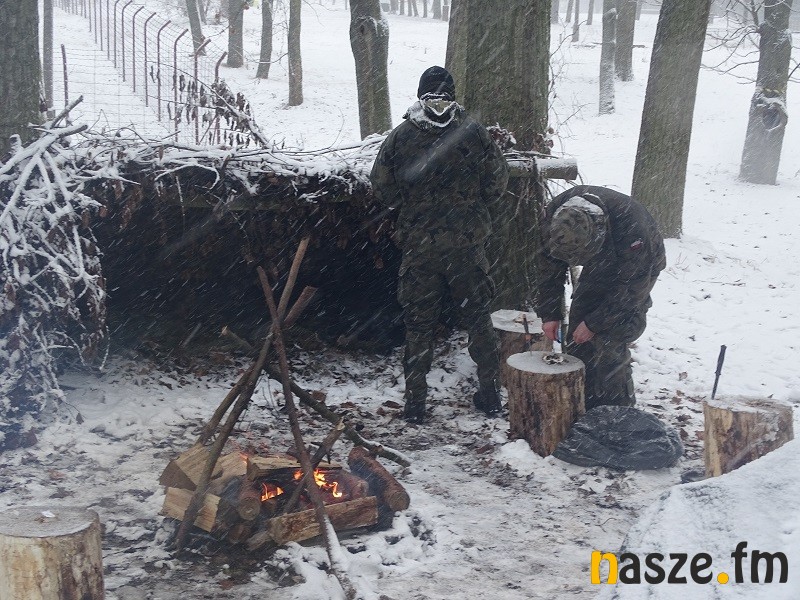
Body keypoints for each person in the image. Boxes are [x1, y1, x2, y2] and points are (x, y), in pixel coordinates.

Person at [370, 66, 510, 423]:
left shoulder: (402, 136)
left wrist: (414, 207)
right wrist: (469, 209)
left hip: (421, 248)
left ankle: (415, 404)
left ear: (422, 95)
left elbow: (382, 188)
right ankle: (491, 396)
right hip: (467, 246)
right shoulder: (474, 133)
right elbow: (497, 183)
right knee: (478, 319)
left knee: (419, 325)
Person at [535, 185, 666, 410]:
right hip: (599, 263)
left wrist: (594, 323)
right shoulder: (554, 219)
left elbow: (631, 290)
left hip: (638, 268)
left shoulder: (632, 230)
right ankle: (584, 403)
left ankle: (618, 409)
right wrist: (550, 313)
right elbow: (548, 270)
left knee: (612, 338)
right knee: (577, 337)